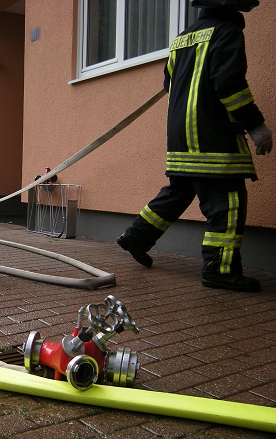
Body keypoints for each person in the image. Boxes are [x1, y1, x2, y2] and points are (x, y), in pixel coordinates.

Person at [116, 0, 272, 292]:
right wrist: (256, 126)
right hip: (212, 138)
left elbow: (169, 84)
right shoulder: (227, 31)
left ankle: (136, 237)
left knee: (178, 191)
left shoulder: (181, 38)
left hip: (181, 138)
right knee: (227, 202)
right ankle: (219, 270)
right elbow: (230, 85)